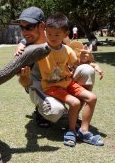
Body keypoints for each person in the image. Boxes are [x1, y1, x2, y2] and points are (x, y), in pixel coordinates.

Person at [16, 7, 96, 128]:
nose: (25, 32)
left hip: (61, 79)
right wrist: (24, 76)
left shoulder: (59, 36)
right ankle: (41, 112)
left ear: (42, 26)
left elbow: (75, 59)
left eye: (29, 27)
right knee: (55, 111)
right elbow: (24, 83)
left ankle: (73, 116)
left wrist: (89, 60)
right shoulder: (25, 47)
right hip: (39, 83)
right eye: (22, 27)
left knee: (87, 70)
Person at [38, 13, 103, 147]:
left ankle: (83, 131)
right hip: (51, 86)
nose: (52, 38)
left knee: (92, 98)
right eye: (49, 34)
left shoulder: (67, 50)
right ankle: (71, 131)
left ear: (65, 34)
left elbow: (77, 63)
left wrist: (92, 63)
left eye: (57, 34)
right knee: (74, 102)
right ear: (45, 31)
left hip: (68, 83)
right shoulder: (41, 50)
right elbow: (26, 55)